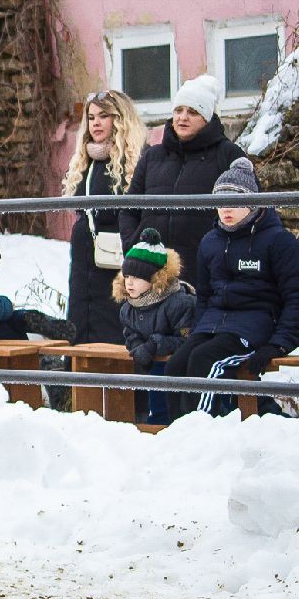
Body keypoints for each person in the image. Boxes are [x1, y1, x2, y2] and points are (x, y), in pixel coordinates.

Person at [164, 158, 299, 422]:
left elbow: (296, 296)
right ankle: (175, 434)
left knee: (204, 361)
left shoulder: (277, 241)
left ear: (252, 203)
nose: (226, 209)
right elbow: (204, 295)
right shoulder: (211, 241)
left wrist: (278, 345)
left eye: (235, 202)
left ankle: (200, 434)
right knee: (175, 366)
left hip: (256, 325)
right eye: (220, 202)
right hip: (214, 324)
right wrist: (197, 330)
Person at [119, 75, 244, 283]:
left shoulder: (228, 155)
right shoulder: (152, 156)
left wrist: (223, 253)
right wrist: (133, 246)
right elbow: (129, 209)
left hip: (206, 272)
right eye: (178, 110)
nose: (182, 117)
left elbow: (247, 211)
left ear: (206, 117)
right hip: (152, 272)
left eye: (192, 112)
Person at [62, 90, 147, 344]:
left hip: (120, 259)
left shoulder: (136, 159)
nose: (95, 123)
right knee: (81, 327)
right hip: (85, 260)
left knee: (116, 330)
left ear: (120, 119)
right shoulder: (84, 162)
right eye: (91, 117)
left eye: (103, 116)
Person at [112, 228, 196, 425]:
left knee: (161, 375)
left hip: (177, 366)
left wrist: (153, 345)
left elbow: (187, 339)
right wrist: (138, 345)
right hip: (151, 362)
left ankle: (162, 421)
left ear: (155, 278)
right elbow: (129, 332)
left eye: (138, 277)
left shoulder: (179, 303)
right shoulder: (128, 308)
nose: (130, 282)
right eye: (127, 276)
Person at [0, 278, 76, 343]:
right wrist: (7, 306)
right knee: (11, 332)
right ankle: (43, 363)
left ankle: (23, 319)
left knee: (8, 321)